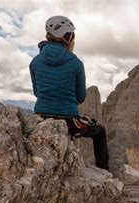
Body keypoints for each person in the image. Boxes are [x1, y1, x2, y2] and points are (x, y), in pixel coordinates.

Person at [29, 15, 109, 170]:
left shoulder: (35, 62)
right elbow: (81, 96)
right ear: (68, 36)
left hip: (40, 118)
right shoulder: (75, 63)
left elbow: (37, 92)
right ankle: (104, 171)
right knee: (100, 132)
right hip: (68, 120)